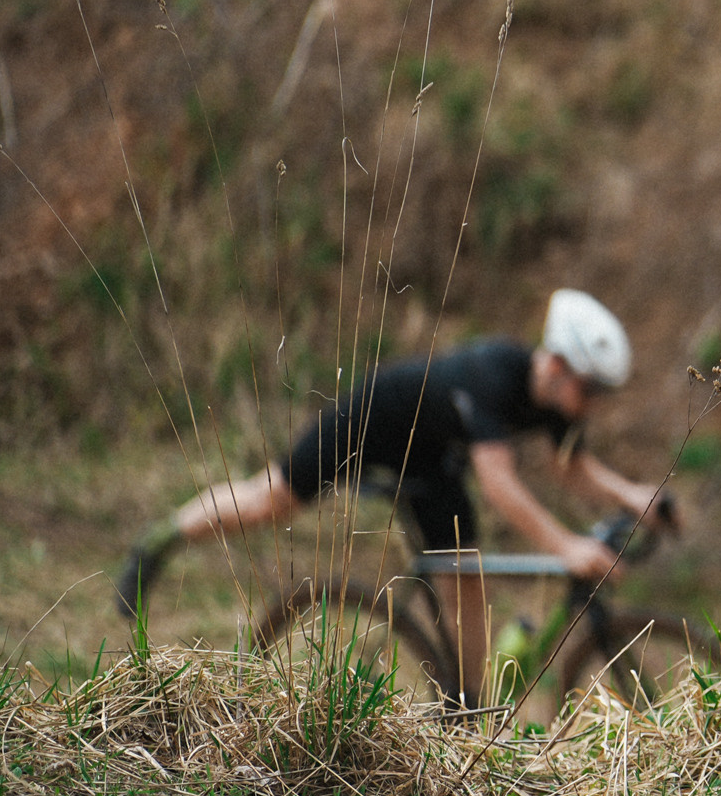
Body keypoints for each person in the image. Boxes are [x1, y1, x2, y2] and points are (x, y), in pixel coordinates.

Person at [115, 289, 670, 703]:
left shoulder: (552, 401)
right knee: (271, 500)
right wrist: (565, 546)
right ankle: (160, 540)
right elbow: (500, 485)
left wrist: (635, 497)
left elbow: (571, 466)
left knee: (465, 577)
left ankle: (467, 714)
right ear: (554, 364)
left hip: (428, 461)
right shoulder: (493, 375)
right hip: (366, 427)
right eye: (591, 388)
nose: (593, 403)